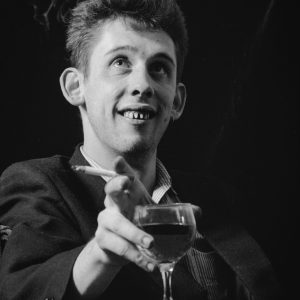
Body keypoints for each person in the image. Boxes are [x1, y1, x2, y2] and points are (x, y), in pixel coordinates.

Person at [0, 0, 280, 299]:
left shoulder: (218, 198)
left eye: (159, 68)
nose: (143, 84)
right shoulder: (37, 185)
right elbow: (22, 290)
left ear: (177, 101)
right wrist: (100, 255)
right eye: (120, 62)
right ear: (75, 86)